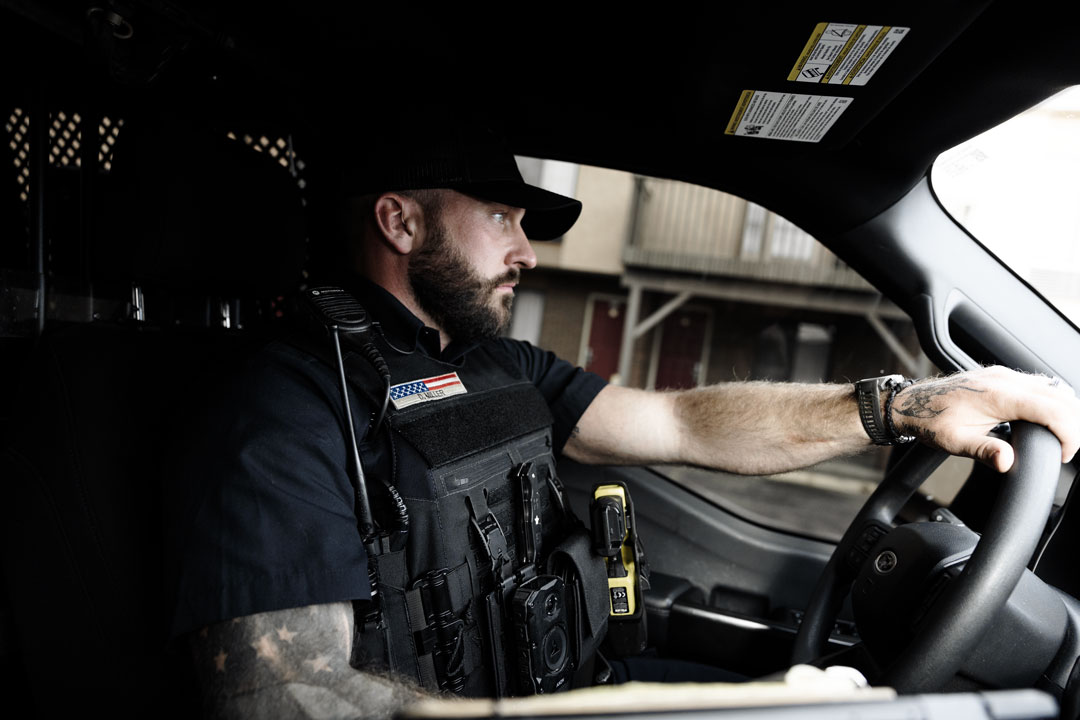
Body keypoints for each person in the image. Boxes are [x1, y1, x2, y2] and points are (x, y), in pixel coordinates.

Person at [169, 125, 1080, 720]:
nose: (528, 249)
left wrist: (902, 406)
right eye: (500, 217)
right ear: (400, 222)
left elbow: (685, 424)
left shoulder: (497, 363)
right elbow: (285, 700)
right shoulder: (285, 408)